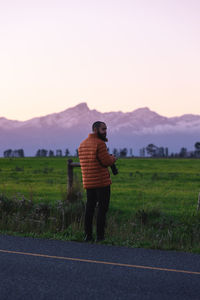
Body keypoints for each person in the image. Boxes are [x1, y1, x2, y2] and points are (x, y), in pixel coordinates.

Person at [78, 121, 117, 242]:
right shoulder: (100, 144)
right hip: (101, 182)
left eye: (106, 129)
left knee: (89, 208)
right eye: (103, 129)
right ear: (96, 130)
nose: (105, 131)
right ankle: (100, 237)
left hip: (89, 182)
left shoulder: (82, 144)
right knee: (102, 209)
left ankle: (88, 235)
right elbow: (106, 162)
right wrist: (113, 158)